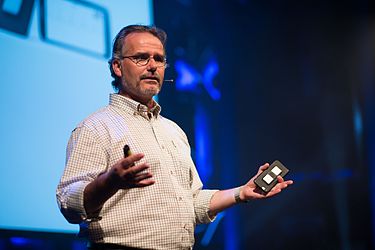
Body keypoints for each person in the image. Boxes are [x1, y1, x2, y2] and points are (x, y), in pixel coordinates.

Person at [56, 24, 293, 250]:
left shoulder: (173, 130)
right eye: (141, 57)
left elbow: (192, 203)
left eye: (159, 59)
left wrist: (242, 192)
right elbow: (69, 204)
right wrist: (110, 181)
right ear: (117, 67)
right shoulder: (96, 127)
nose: (152, 66)